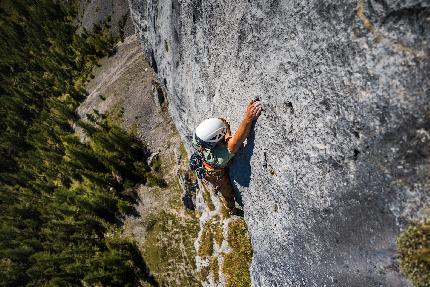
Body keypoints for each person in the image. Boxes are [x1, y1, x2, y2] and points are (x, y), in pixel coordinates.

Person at [191, 99, 262, 215]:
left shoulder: (199, 137)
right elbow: (234, 144)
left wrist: (223, 127)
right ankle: (232, 210)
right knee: (227, 194)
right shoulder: (218, 158)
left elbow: (218, 123)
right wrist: (247, 118)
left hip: (204, 162)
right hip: (214, 173)